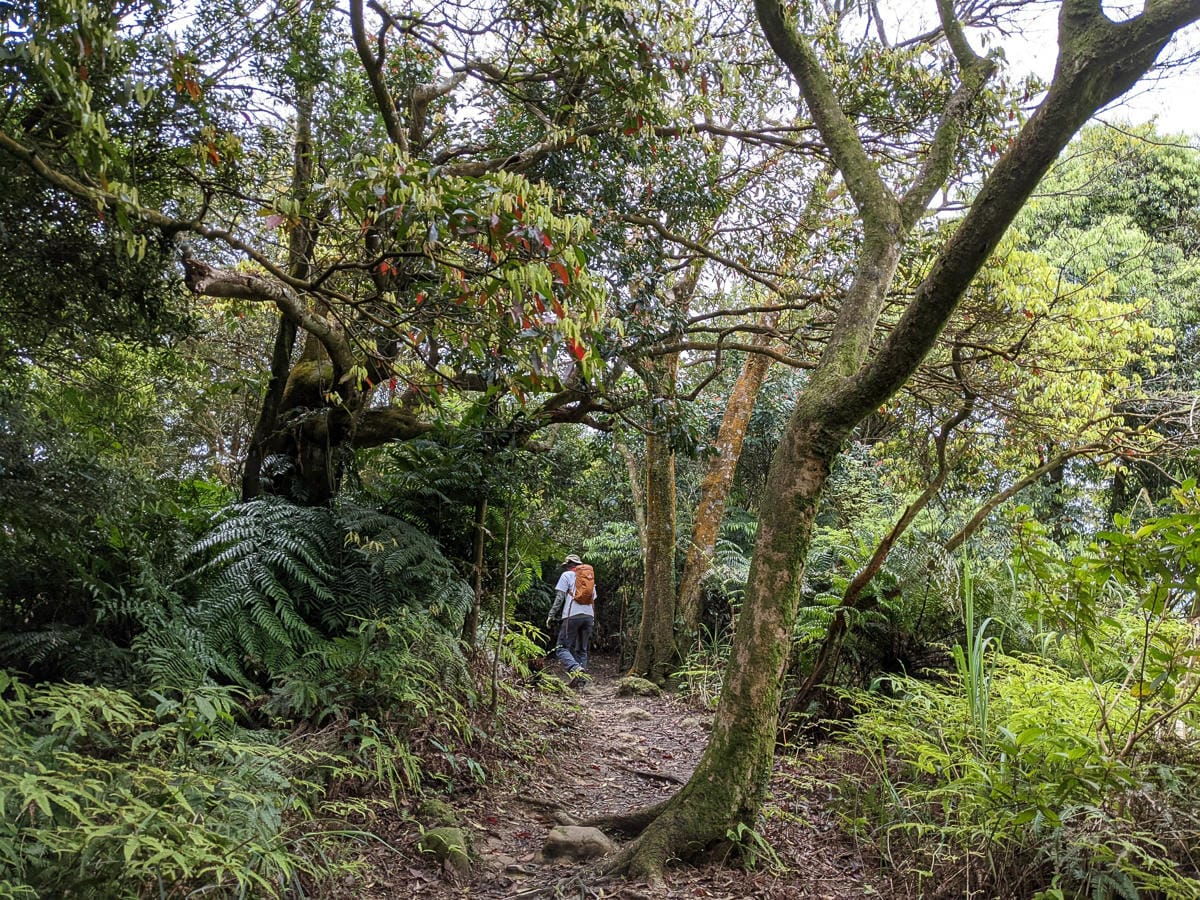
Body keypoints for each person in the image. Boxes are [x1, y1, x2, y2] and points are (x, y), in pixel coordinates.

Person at [546, 554, 595, 687]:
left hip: (571, 615)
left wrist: (551, 614)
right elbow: (593, 598)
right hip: (589, 616)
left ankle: (575, 669)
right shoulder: (589, 577)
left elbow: (560, 598)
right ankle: (581, 684)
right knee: (582, 650)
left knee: (561, 648)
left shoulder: (566, 575)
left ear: (569, 564)